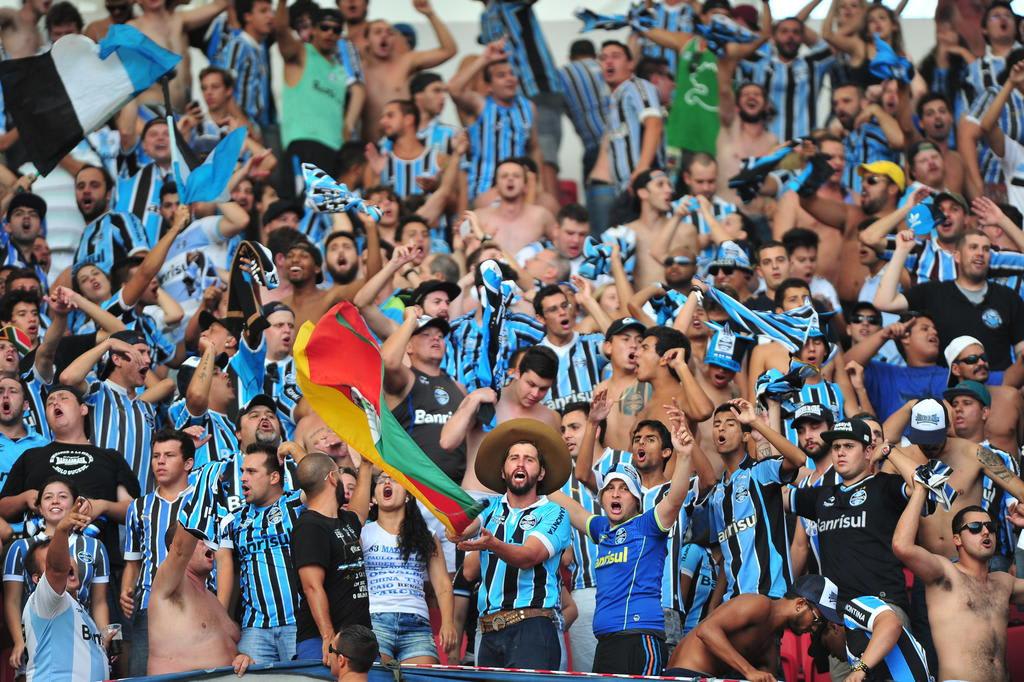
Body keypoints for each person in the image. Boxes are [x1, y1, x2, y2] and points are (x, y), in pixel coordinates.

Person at [549, 414, 696, 675]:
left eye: (624, 488)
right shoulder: (602, 529)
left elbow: (674, 500)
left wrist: (684, 456)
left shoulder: (648, 525)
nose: (615, 493)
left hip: (640, 637)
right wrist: (538, 472)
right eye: (609, 488)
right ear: (602, 498)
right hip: (606, 641)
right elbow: (569, 506)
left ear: (637, 501)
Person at [447, 418, 572, 671]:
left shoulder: (555, 513)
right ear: (503, 471)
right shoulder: (489, 506)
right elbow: (462, 528)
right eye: (514, 457)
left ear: (541, 473)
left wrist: (492, 543)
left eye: (529, 459)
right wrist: (457, 529)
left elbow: (529, 556)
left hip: (532, 629)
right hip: (489, 631)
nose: (521, 463)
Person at [893, 482, 1024, 682]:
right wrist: (920, 490)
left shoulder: (1004, 582)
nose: (985, 532)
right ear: (957, 539)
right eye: (974, 527)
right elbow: (902, 546)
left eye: (990, 527)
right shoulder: (945, 574)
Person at [875, 229, 1024, 371]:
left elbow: (1021, 351)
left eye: (986, 249)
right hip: (946, 389)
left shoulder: (1008, 297)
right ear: (957, 256)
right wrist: (902, 250)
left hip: (997, 388)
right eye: (973, 247)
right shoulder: (932, 292)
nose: (980, 253)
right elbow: (884, 302)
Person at [120, 430, 197, 676]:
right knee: (144, 676)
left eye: (169, 455)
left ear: (188, 463)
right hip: (148, 608)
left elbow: (219, 558)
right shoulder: (138, 507)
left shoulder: (203, 500)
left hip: (195, 606)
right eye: (156, 456)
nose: (160, 461)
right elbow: (133, 562)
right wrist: (125, 591)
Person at [219, 445, 305, 663]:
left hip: (298, 623)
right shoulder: (234, 519)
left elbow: (321, 484)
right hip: (254, 629)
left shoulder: (296, 504)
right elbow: (229, 572)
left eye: (251, 472)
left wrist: (297, 451)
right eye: (242, 471)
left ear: (274, 476)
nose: (243, 478)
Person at [663, 573, 837, 680]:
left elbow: (765, 673)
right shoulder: (758, 604)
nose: (814, 628)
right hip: (685, 675)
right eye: (817, 619)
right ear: (800, 604)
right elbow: (706, 630)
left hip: (711, 678)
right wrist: (749, 671)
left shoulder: (771, 641)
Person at [292, 452, 371, 663]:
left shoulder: (344, 519)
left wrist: (366, 465)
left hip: (357, 639)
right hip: (323, 641)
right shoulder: (309, 526)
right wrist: (328, 637)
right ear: (332, 478)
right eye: (338, 471)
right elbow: (312, 586)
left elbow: (360, 513)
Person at [147, 520, 253, 676]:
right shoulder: (169, 587)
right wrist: (203, 498)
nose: (209, 545)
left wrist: (241, 658)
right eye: (200, 540)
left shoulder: (212, 599)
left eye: (209, 540)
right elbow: (179, 550)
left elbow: (221, 649)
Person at [21, 497, 110, 682]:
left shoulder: (75, 607)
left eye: (66, 555)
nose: (66, 562)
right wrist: (62, 529)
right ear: (38, 579)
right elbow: (56, 569)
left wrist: (100, 644)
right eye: (56, 559)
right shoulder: (45, 600)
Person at [275, 2, 353, 184]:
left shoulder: (341, 71)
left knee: (325, 211)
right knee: (301, 207)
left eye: (336, 30)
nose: (330, 34)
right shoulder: (300, 54)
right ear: (314, 30)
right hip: (304, 143)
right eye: (325, 27)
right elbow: (280, 29)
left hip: (335, 150)